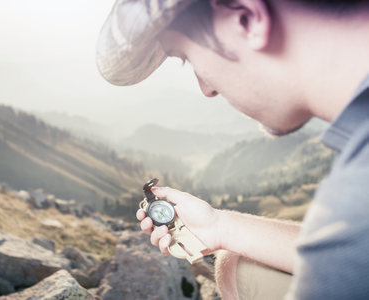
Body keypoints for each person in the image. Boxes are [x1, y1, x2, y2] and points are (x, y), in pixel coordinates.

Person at [96, 0, 369, 299]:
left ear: (246, 17)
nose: (206, 89)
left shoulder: (356, 193)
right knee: (235, 263)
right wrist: (219, 226)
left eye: (186, 56)